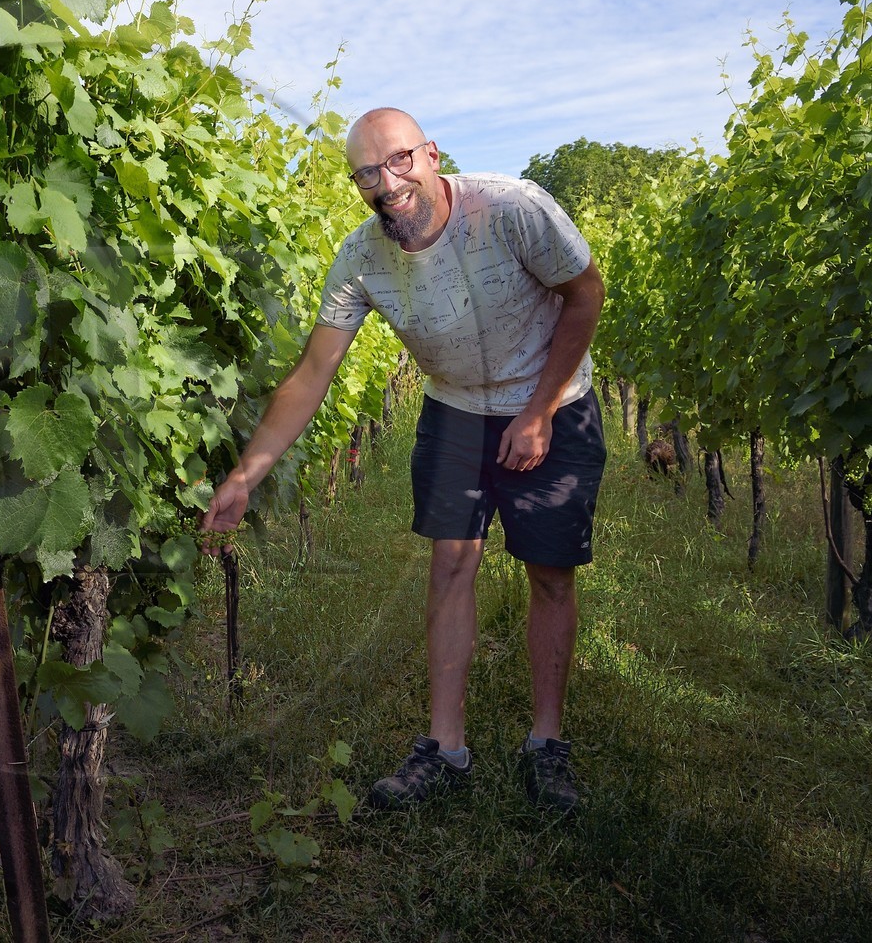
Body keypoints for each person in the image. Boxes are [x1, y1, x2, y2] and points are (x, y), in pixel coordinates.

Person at [201, 108, 606, 814]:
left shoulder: (512, 209)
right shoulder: (362, 257)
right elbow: (313, 373)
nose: (386, 184)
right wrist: (246, 474)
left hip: (552, 402)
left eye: (398, 162)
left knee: (549, 574)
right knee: (450, 564)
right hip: (454, 410)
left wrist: (538, 412)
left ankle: (547, 745)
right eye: (365, 173)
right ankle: (445, 749)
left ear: (431, 153)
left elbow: (585, 294)